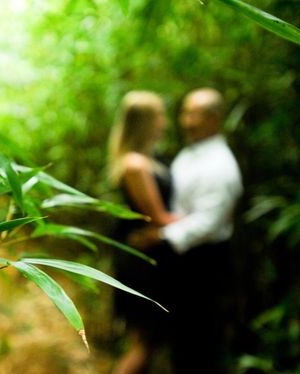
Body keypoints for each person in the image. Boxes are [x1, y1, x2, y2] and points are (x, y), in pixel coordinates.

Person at [132, 87, 243, 373]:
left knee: (200, 341)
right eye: (185, 113)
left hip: (205, 263)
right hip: (181, 261)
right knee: (180, 339)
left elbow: (209, 221)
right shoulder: (190, 153)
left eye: (195, 115)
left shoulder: (221, 164)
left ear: (215, 119)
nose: (186, 121)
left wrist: (161, 235)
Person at [107, 90, 180, 374]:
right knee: (143, 344)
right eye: (159, 115)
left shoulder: (147, 159)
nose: (164, 121)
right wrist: (205, 219)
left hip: (148, 256)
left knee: (149, 342)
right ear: (145, 121)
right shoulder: (135, 164)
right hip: (141, 261)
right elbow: (159, 217)